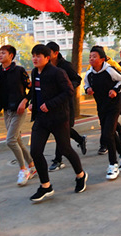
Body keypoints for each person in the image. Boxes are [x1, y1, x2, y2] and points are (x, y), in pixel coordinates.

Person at [24, 44, 88, 202]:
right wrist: (31, 102)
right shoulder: (34, 73)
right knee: (35, 151)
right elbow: (35, 91)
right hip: (41, 119)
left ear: (47, 58)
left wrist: (50, 104)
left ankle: (80, 175)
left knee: (65, 149)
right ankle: (46, 186)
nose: (35, 59)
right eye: (33, 56)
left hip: (58, 118)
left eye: (39, 56)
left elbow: (69, 92)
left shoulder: (57, 72)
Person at [0, 45, 35, 186]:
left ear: (11, 55)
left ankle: (23, 170)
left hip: (19, 111)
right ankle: (32, 166)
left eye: (3, 53)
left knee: (10, 140)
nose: (0, 55)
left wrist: (25, 101)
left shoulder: (19, 71)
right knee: (18, 140)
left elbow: (31, 88)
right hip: (6, 110)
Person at [85, 46, 121, 180]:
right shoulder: (90, 73)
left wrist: (115, 91)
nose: (91, 59)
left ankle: (113, 164)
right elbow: (86, 84)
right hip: (101, 107)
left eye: (94, 57)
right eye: (90, 57)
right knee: (109, 132)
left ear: (102, 59)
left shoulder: (109, 70)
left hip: (114, 106)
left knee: (107, 134)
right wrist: (88, 89)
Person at [45, 42, 88, 167]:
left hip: (65, 103)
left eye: (48, 53)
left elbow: (77, 79)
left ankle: (58, 160)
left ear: (55, 53)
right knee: (62, 130)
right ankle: (80, 139)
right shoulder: (46, 66)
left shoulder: (65, 66)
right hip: (53, 104)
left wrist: (68, 88)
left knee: (61, 131)